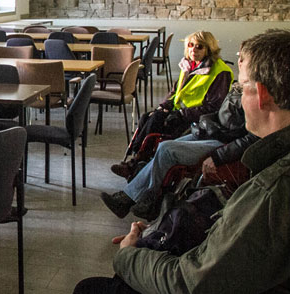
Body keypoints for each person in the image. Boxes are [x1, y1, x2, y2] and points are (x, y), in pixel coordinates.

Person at [65, 30, 290, 294]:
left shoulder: (280, 187)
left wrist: (129, 255)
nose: (237, 92)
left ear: (261, 95)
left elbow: (193, 285)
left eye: (241, 85)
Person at [101, 81, 258, 220]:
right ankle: (132, 195)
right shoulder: (237, 87)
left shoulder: (253, 96)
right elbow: (217, 113)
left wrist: (217, 157)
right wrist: (206, 121)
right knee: (162, 142)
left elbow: (249, 138)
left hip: (223, 145)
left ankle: (146, 198)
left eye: (242, 59)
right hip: (210, 132)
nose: (239, 62)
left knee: (167, 149)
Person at [111, 31, 233, 179]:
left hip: (195, 118)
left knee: (155, 121)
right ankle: (136, 158)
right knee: (147, 117)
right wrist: (164, 105)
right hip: (179, 111)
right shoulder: (189, 65)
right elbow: (175, 92)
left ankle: (137, 162)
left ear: (209, 49)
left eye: (199, 47)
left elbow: (214, 107)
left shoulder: (220, 72)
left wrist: (181, 113)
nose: (193, 49)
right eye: (190, 45)